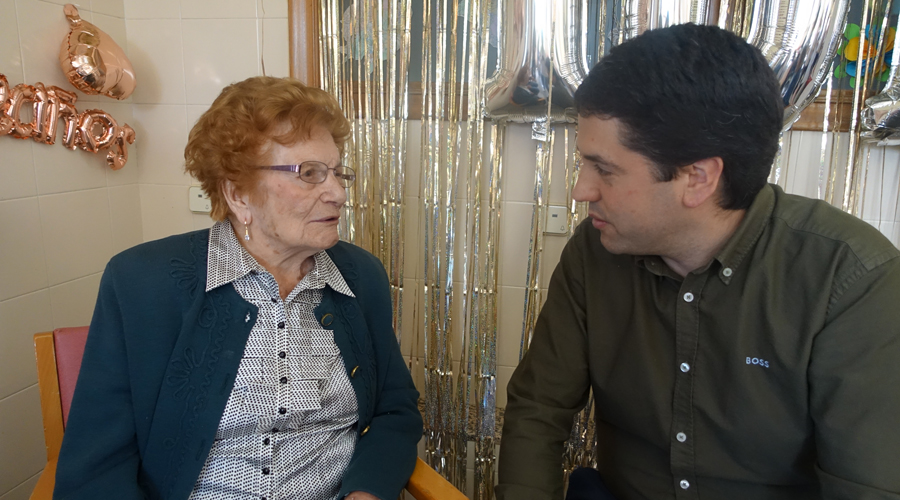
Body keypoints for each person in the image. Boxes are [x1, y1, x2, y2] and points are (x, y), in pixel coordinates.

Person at [497, 23, 900, 500]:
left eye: (604, 169)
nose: (582, 190)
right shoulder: (595, 253)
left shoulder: (850, 279)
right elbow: (538, 409)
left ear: (698, 178)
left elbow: (866, 487)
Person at [54, 76, 423, 500]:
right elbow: (97, 468)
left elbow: (396, 410)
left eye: (338, 173)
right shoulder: (142, 283)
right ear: (238, 193)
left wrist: (367, 491)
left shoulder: (360, 276)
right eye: (310, 174)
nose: (338, 193)